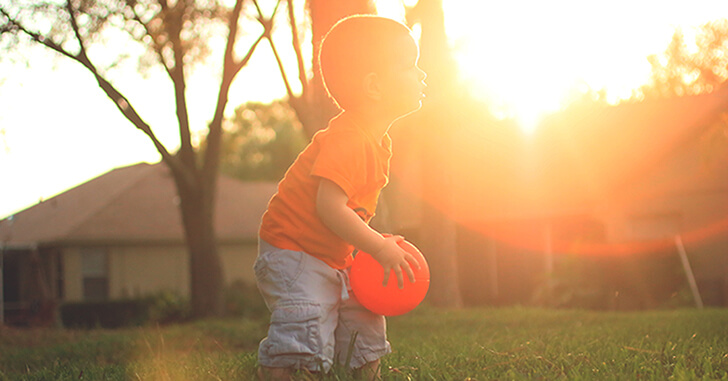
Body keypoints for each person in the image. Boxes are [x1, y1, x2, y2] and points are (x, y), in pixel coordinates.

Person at [255, 14, 427, 380]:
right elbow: (329, 208)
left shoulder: (376, 141)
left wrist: (367, 246)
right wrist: (378, 247)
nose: (421, 75)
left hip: (331, 253)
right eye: (410, 66)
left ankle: (365, 371)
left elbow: (350, 212)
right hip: (293, 249)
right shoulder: (349, 138)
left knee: (362, 314)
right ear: (374, 86)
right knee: (308, 322)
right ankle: (287, 369)